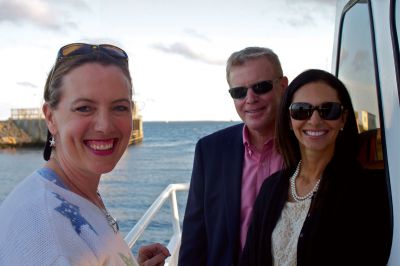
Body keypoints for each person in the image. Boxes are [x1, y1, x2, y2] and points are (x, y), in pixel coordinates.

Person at [0, 43, 170, 265]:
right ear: (50, 117)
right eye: (84, 108)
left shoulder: (72, 191)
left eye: (119, 107)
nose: (104, 126)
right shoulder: (52, 243)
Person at [240, 69, 392, 266]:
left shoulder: (367, 190)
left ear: (343, 118)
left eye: (328, 110)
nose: (315, 120)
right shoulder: (271, 187)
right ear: (288, 119)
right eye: (301, 110)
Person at [179, 47, 288, 265]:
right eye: (239, 92)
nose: (250, 99)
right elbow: (195, 237)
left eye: (261, 87)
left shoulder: (307, 147)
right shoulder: (210, 151)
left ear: (283, 86)